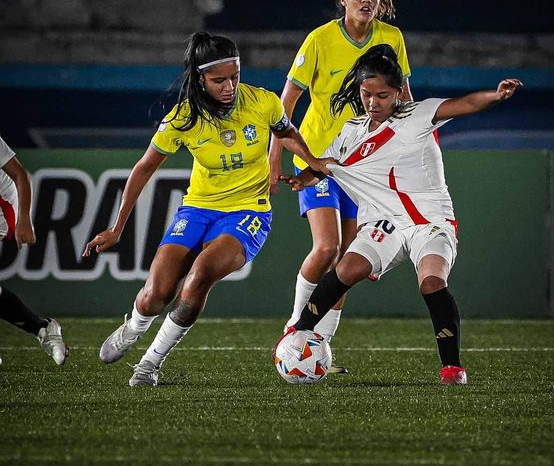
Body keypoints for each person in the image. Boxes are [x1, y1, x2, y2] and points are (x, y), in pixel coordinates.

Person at [83, 32, 330, 388]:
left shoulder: (262, 102)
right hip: (197, 209)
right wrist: (117, 227)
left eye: (235, 76)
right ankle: (133, 327)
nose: (230, 86)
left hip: (249, 211)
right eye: (219, 80)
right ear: (200, 79)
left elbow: (286, 131)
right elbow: (144, 168)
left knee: (199, 277)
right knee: (158, 292)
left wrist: (311, 160)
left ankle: (150, 364)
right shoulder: (183, 118)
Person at [279, 44, 522, 385]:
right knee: (346, 268)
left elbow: (465, 104)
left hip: (431, 223)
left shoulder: (418, 115)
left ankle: (452, 368)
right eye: (366, 94)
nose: (373, 103)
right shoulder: (351, 129)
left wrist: (495, 96)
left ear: (397, 92)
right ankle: (299, 334)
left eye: (382, 95)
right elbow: (325, 166)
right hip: (384, 223)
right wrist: (300, 178)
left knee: (432, 283)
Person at [268, 0, 412, 370]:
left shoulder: (391, 37)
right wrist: (275, 157)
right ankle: (295, 329)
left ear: (381, 1)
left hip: (362, 163)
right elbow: (286, 103)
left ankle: (320, 345)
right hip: (317, 158)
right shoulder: (319, 40)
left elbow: (402, 99)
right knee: (327, 246)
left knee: (347, 257)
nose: (366, 0)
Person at [0, 135, 67, 366]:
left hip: (4, 205)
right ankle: (44, 328)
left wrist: (24, 219)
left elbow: (20, 174)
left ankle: (43, 328)